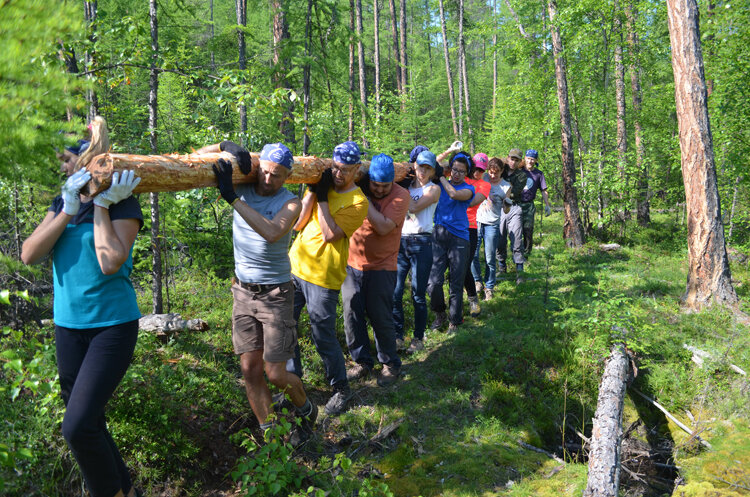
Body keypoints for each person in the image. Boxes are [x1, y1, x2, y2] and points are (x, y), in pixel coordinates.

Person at [21, 118, 144, 497]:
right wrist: (67, 208)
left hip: (112, 326)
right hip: (68, 328)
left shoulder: (122, 201)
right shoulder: (63, 201)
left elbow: (110, 262)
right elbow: (28, 254)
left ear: (86, 159)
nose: (61, 167)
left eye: (64, 159)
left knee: (76, 426)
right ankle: (123, 489)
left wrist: (102, 206)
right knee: (91, 422)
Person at [200, 140, 317, 445]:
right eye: (264, 171)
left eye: (276, 174)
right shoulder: (245, 183)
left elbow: (271, 231)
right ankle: (274, 436)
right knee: (250, 370)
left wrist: (232, 198)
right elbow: (195, 160)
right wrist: (224, 146)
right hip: (243, 293)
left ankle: (305, 408)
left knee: (275, 374)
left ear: (287, 176)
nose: (267, 179)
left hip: (276, 294)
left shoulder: (290, 202)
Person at [287, 141, 369, 415]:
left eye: (345, 169)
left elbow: (331, 234)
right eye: (335, 168)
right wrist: (312, 190)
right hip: (296, 267)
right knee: (285, 328)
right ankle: (292, 385)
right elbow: (297, 224)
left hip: (323, 277)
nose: (338, 174)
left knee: (322, 335)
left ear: (356, 169)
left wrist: (322, 199)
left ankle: (341, 388)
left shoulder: (358, 202)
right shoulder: (324, 188)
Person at [343, 154, 409, 386]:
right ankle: (361, 361)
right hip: (352, 263)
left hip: (383, 266)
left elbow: (382, 227)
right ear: (368, 179)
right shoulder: (360, 187)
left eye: (385, 186)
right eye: (375, 185)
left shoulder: (401, 196)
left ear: (393, 182)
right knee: (351, 314)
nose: (380, 190)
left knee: (380, 316)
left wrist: (362, 195)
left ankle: (390, 363)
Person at [392, 150, 441, 354]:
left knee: (418, 294)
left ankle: (418, 338)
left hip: (422, 242)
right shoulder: (406, 187)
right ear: (414, 166)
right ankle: (397, 336)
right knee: (395, 292)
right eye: (421, 166)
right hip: (401, 242)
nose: (423, 171)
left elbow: (414, 207)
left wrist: (399, 189)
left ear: (432, 171)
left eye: (428, 168)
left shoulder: (433, 189)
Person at [428, 152, 475, 334]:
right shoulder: (440, 183)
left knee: (456, 282)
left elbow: (454, 194)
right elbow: (431, 162)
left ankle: (455, 320)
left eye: (461, 171)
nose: (456, 174)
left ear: (466, 174)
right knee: (433, 282)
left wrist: (441, 175)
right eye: (454, 169)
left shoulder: (468, 189)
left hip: (460, 238)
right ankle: (440, 313)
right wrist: (441, 168)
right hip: (439, 234)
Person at [475, 157, 510, 300]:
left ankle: (489, 287)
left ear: (502, 171)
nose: (493, 175)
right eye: (491, 172)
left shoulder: (506, 186)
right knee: (473, 255)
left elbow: (506, 210)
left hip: (492, 224)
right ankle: (477, 281)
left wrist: (507, 204)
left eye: (496, 172)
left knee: (490, 257)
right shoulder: (484, 178)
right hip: (476, 221)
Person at [497, 148, 528, 283]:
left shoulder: (521, 175)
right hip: (498, 207)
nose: (513, 162)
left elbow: (515, 192)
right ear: (507, 158)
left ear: (520, 161)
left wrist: (503, 189)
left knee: (516, 238)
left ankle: (519, 269)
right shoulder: (500, 170)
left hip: (514, 206)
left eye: (516, 160)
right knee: (499, 238)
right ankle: (502, 266)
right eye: (511, 158)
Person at [464, 153, 490, 316]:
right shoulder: (459, 176)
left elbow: (472, 201)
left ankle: (472, 298)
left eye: (481, 170)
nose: (477, 172)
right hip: (449, 226)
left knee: (464, 265)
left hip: (470, 227)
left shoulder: (484, 185)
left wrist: (453, 193)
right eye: (475, 168)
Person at [520, 149, 552, 257]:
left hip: (529, 205)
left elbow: (544, 190)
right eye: (528, 158)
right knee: (516, 230)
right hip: (516, 204)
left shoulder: (538, 174)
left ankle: (526, 254)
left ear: (536, 160)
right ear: (525, 158)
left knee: (528, 229)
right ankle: (516, 253)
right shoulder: (518, 171)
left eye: (532, 159)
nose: (530, 161)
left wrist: (547, 205)